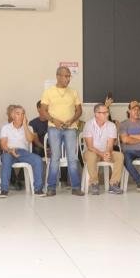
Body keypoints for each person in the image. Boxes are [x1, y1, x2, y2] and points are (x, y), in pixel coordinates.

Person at [40, 66, 84, 197]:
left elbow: (79, 111)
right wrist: (54, 121)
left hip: (70, 128)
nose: (68, 79)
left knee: (72, 158)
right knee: (55, 157)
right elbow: (43, 110)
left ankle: (75, 187)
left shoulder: (74, 92)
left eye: (69, 76)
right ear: (58, 76)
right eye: (66, 76)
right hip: (54, 128)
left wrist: (72, 120)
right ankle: (51, 187)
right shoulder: (48, 92)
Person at [0, 104, 45, 197]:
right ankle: (4, 189)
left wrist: (24, 125)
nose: (21, 115)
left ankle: (38, 189)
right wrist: (10, 150)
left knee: (38, 160)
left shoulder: (29, 127)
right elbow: (3, 145)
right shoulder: (6, 128)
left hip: (24, 152)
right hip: (9, 151)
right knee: (6, 159)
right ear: (12, 115)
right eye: (18, 113)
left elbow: (30, 140)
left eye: (23, 113)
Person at [82, 103, 124, 195]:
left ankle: (113, 184)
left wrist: (107, 152)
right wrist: (102, 154)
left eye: (107, 112)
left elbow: (110, 145)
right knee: (91, 156)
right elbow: (90, 146)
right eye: (104, 113)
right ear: (96, 114)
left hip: (106, 152)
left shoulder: (111, 125)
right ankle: (94, 183)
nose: (107, 114)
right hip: (92, 152)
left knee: (119, 156)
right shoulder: (89, 125)